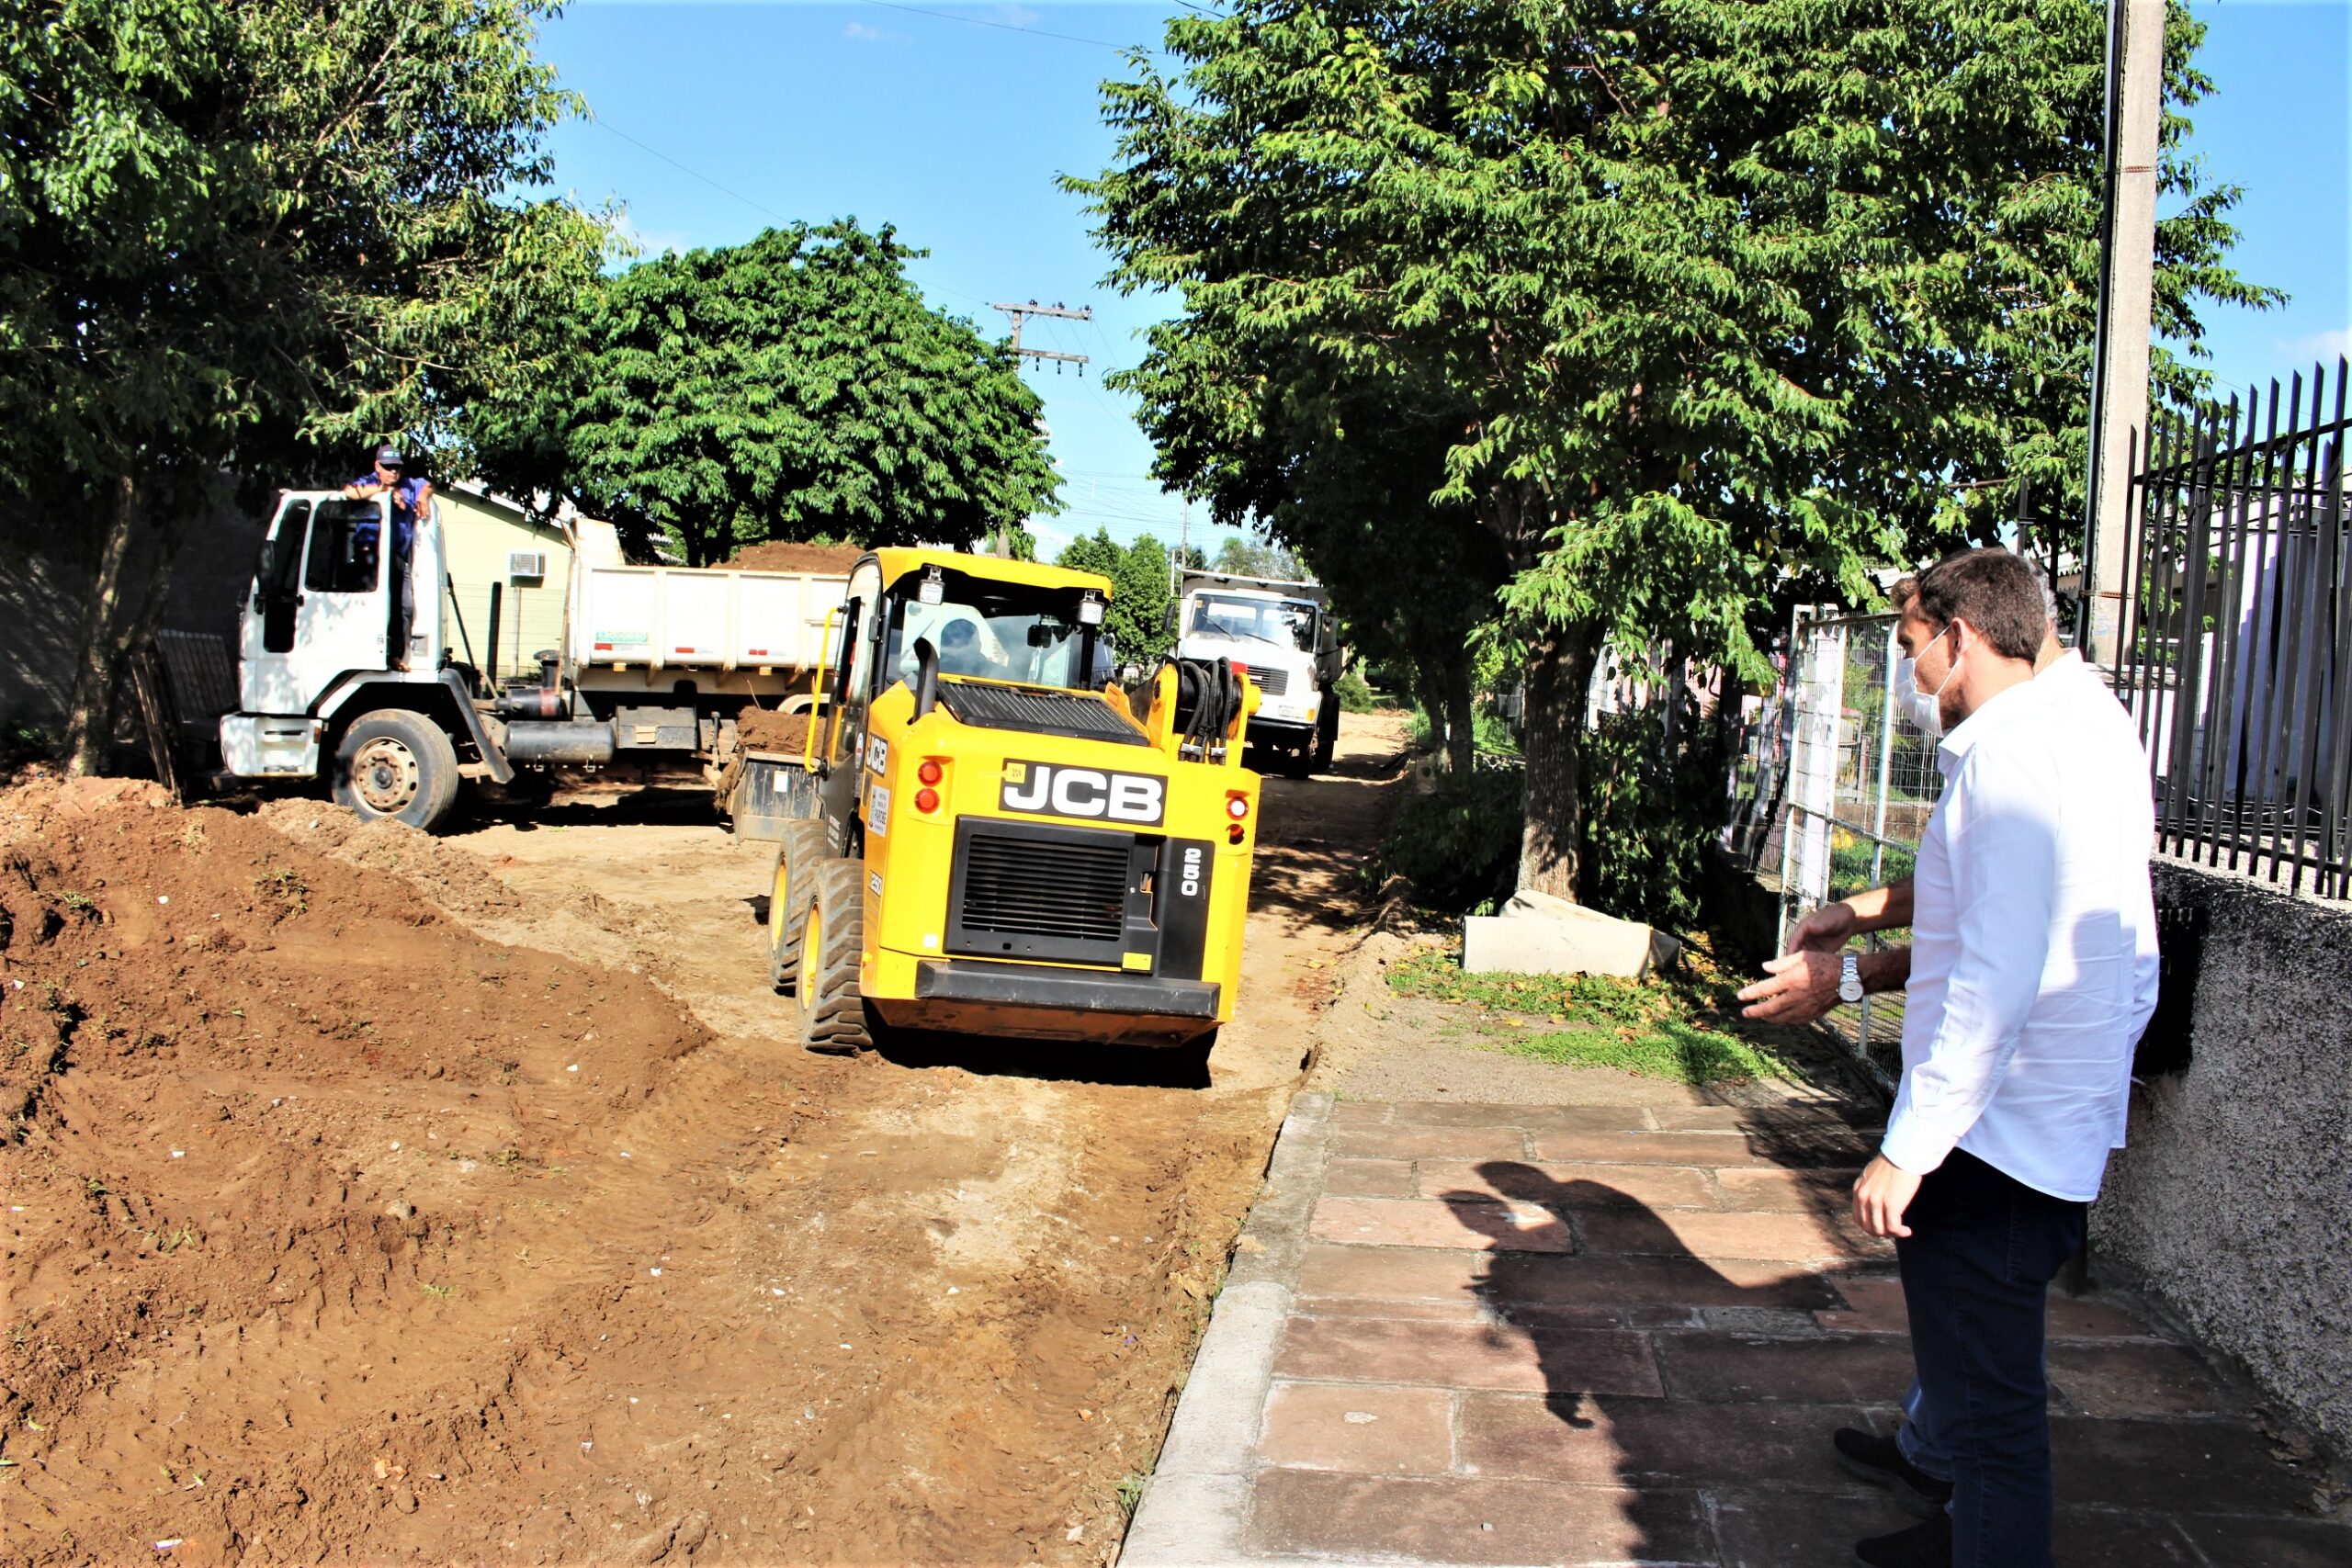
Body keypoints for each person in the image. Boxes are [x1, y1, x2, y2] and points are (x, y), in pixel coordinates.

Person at [1820, 548, 2157, 1567]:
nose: (1908, 676)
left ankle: (1981, 1532)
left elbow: (1996, 973)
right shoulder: (2078, 723)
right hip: (2042, 1121)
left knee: (1997, 1415)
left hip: (1994, 1136)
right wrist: (1855, 932)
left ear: (1960, 637)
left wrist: (1909, 1146)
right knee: (1977, 1367)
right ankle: (1945, 1498)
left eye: (1911, 648)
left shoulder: (2011, 759)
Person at [342, 444, 433, 671]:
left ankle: (395, 655)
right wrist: (384, 491)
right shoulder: (368, 482)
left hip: (397, 557)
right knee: (371, 605)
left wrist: (423, 496)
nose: (393, 472)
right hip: (370, 556)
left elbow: (428, 485)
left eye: (397, 468)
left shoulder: (409, 485)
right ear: (377, 466)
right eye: (388, 467)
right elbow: (350, 492)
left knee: (404, 606)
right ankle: (364, 653)